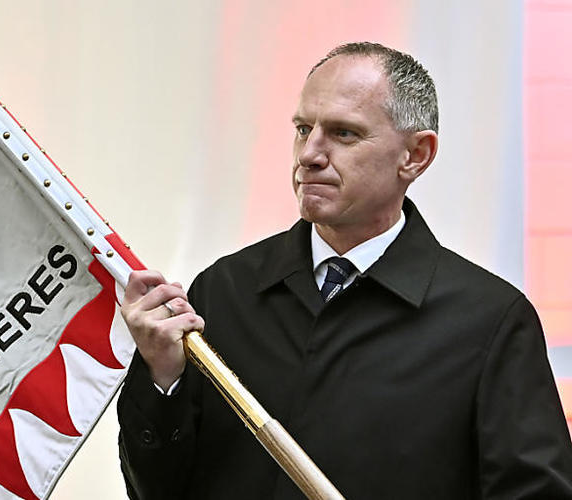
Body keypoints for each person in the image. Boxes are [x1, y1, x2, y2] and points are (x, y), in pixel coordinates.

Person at [117, 42, 572, 499]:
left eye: (344, 134)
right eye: (302, 128)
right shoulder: (225, 289)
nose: (309, 154)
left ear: (415, 155)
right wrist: (162, 379)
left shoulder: (489, 321)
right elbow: (155, 491)